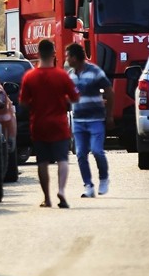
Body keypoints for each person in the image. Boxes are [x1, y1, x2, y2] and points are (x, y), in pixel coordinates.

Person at [18, 38, 78, 209]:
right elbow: (74, 98)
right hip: (59, 124)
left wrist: (34, 106)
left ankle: (47, 198)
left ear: (38, 54)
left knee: (42, 162)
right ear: (53, 54)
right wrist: (63, 101)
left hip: (38, 124)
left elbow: (23, 102)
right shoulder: (62, 75)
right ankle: (62, 191)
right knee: (62, 160)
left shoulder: (30, 76)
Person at [65, 43, 114, 198]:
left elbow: (109, 92)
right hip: (78, 121)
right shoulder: (70, 75)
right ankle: (88, 185)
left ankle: (104, 178)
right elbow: (67, 95)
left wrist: (109, 115)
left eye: (68, 56)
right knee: (80, 154)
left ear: (74, 57)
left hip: (95, 120)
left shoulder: (95, 72)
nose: (66, 59)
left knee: (97, 151)